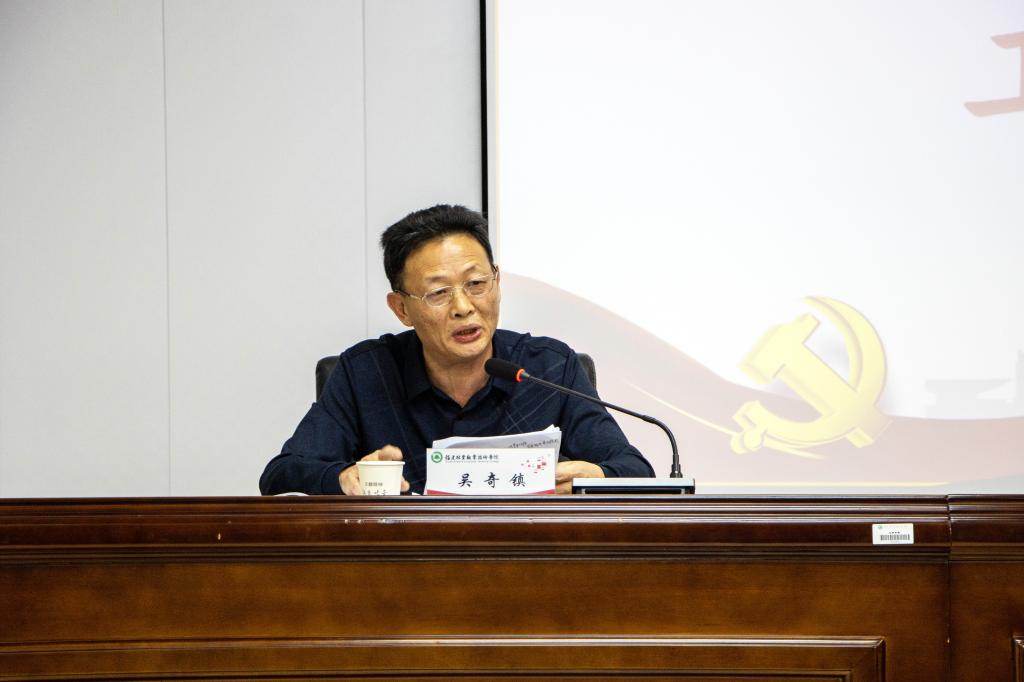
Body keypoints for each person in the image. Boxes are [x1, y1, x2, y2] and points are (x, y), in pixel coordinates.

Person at [259, 204, 654, 495]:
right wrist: (342, 479)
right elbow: (280, 475)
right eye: (439, 293)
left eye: (476, 284)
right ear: (401, 309)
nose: (463, 307)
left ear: (497, 283)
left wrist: (596, 477)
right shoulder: (365, 374)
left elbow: (636, 470)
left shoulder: (549, 369)